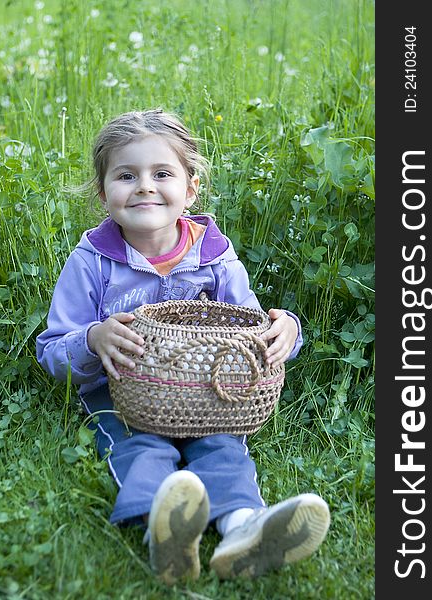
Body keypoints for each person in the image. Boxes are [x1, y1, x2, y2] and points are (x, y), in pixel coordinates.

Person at [36, 109, 330, 585]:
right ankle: (166, 531)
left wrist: (287, 330)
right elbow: (52, 348)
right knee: (142, 447)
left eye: (162, 174)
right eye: (126, 175)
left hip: (208, 400)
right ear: (102, 191)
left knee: (223, 447)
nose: (145, 187)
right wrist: (93, 338)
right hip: (123, 397)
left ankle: (243, 529)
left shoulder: (213, 255)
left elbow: (252, 324)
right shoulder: (91, 261)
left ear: (190, 189)